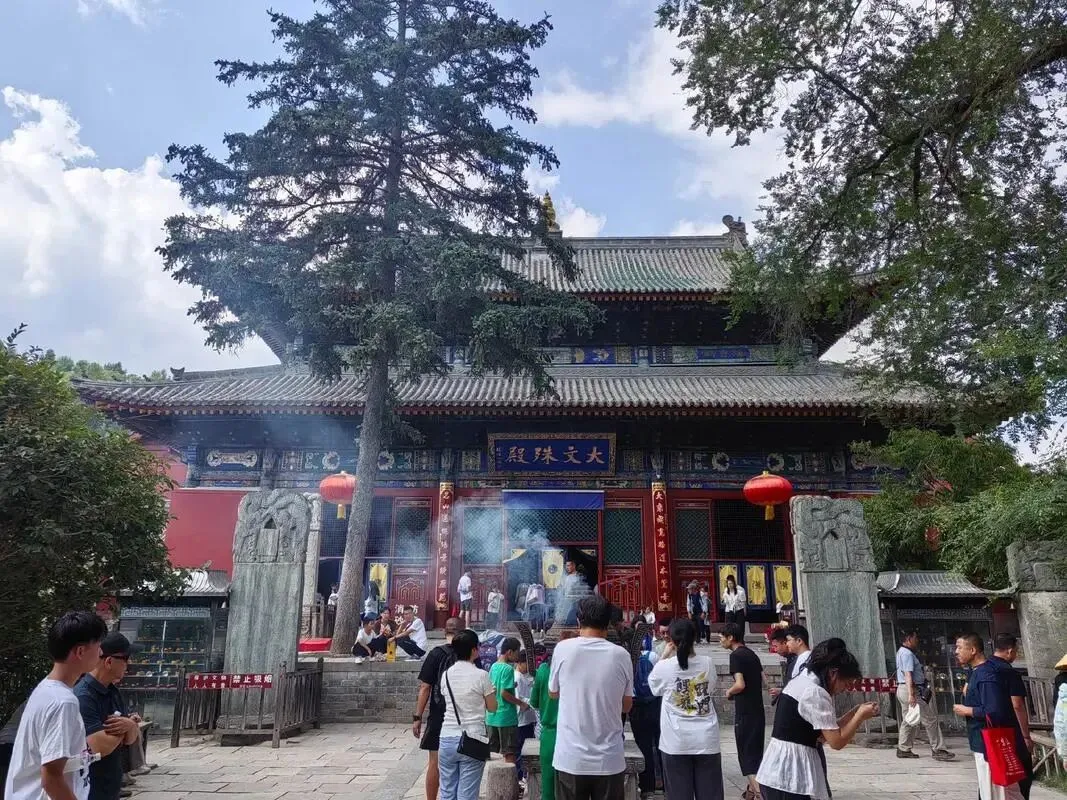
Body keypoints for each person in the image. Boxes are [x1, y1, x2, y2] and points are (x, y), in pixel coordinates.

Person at [757, 638, 879, 800]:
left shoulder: (804, 680)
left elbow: (826, 729)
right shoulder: (815, 692)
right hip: (790, 776)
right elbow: (836, 741)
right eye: (846, 683)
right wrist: (859, 717)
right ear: (833, 673)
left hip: (779, 772)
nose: (845, 689)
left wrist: (854, 713)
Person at [5, 610, 108, 800]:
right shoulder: (63, 702)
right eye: (98, 646)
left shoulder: (46, 689)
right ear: (80, 651)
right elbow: (52, 778)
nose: (101, 653)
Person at [549, 594, 634, 800]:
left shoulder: (563, 649)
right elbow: (626, 706)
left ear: (579, 620)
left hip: (571, 757)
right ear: (608, 623)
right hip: (609, 759)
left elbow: (553, 693)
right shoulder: (621, 655)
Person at [648, 619, 724, 800]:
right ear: (695, 638)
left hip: (676, 741)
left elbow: (654, 687)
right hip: (706, 739)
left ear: (671, 640)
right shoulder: (707, 663)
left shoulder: (664, 667)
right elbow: (710, 688)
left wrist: (664, 656)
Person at [953, 633, 1029, 800]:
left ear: (973, 650)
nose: (956, 651)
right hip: (983, 741)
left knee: (996, 793)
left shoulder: (986, 674)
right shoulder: (977, 672)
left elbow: (994, 711)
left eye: (959, 647)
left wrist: (968, 710)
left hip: (990, 743)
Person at [73, 633, 141, 800]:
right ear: (109, 661)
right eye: (125, 658)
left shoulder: (113, 692)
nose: (128, 664)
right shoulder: (84, 696)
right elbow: (99, 747)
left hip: (110, 788)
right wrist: (128, 725)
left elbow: (131, 739)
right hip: (89, 789)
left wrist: (129, 726)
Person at [438, 630, 497, 800]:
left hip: (447, 737)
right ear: (473, 650)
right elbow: (492, 707)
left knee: (447, 792)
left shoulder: (446, 675)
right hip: (473, 739)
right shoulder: (481, 675)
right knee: (467, 794)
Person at [413, 617, 461, 800]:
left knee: (434, 761)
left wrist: (417, 717)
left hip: (439, 714)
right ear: (463, 631)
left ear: (444, 631)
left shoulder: (435, 654)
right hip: (463, 715)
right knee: (462, 762)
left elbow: (425, 687)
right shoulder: (470, 654)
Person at [894, 630, 954, 761]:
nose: (917, 640)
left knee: (909, 720)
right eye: (915, 637)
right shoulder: (907, 654)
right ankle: (938, 749)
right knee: (930, 719)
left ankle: (903, 748)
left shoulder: (901, 652)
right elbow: (908, 674)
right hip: (911, 690)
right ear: (909, 638)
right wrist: (912, 694)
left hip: (904, 689)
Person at [721, 621, 764, 800]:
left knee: (747, 758)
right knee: (755, 754)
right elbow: (763, 680)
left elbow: (740, 684)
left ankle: (760, 794)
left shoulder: (736, 656)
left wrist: (729, 692)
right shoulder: (751, 654)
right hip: (758, 711)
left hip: (745, 713)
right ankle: (751, 793)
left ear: (731, 637)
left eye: (722, 638)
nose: (720, 641)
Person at [531, 631, 575, 800]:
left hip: (549, 735)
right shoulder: (578, 671)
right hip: (574, 736)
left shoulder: (543, 670)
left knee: (548, 787)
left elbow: (535, 702)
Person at [988, 633, 1033, 772]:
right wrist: (1025, 736)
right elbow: (1017, 705)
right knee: (1018, 771)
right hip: (1009, 729)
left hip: (987, 728)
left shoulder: (981, 669)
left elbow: (966, 691)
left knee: (993, 773)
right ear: (1010, 651)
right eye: (1016, 651)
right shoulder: (1009, 672)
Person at [486, 638, 527, 764]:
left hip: (491, 717)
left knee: (493, 753)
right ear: (510, 652)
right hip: (506, 717)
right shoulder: (508, 669)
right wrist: (521, 703)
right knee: (509, 753)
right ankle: (510, 777)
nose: (517, 656)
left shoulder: (493, 666)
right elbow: (504, 693)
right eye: (517, 652)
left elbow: (493, 689)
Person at [630, 640, 662, 800]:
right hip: (655, 703)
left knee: (644, 747)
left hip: (636, 705)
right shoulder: (653, 656)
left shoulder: (628, 660)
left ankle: (647, 788)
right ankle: (666, 783)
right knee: (661, 744)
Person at [514, 653, 537, 782]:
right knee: (521, 749)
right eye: (527, 663)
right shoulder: (517, 677)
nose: (528, 667)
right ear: (520, 663)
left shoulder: (525, 676)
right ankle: (520, 776)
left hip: (528, 719)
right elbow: (519, 698)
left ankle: (523, 775)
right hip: (522, 720)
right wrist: (532, 703)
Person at [768, 629, 796, 705]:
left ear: (784, 643)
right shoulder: (790, 659)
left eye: (776, 646)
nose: (775, 649)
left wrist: (782, 691)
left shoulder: (796, 660)